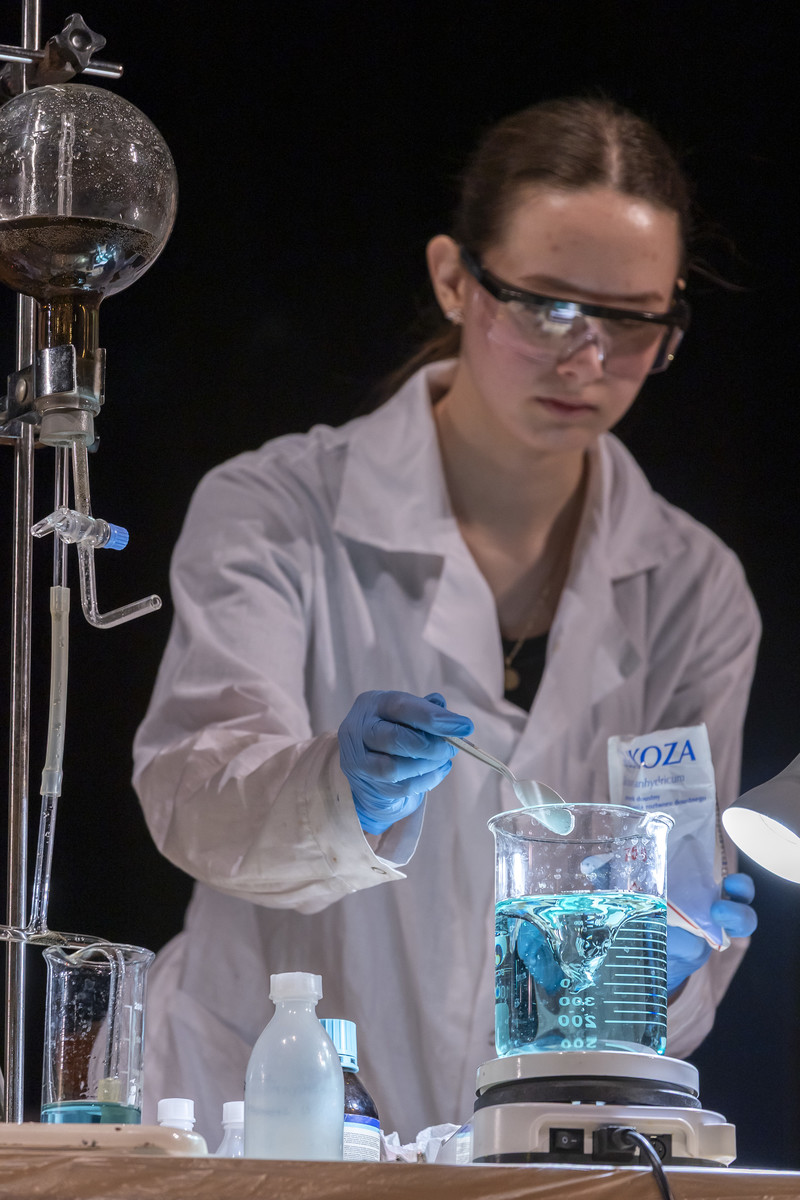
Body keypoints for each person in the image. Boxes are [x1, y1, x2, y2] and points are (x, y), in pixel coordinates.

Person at [133, 96, 759, 1143]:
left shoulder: (694, 588)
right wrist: (341, 792)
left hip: (533, 1140)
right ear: (454, 279)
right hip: (266, 1113)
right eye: (548, 307)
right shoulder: (275, 508)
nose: (588, 359)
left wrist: (669, 960)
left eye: (633, 320)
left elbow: (675, 970)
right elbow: (194, 800)